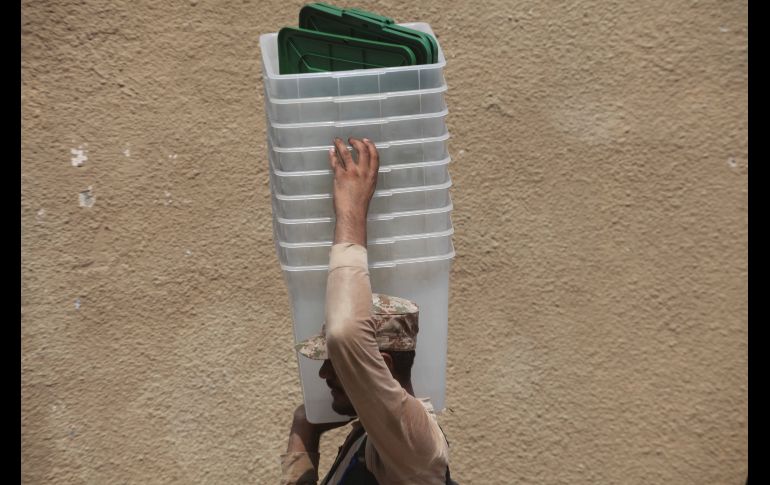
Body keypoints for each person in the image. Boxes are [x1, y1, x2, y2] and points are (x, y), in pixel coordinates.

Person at [279, 137, 453, 484]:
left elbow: (346, 333)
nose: (323, 374)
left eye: (336, 362)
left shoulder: (413, 444)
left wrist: (352, 211)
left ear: (382, 365)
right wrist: (305, 429)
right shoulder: (371, 440)